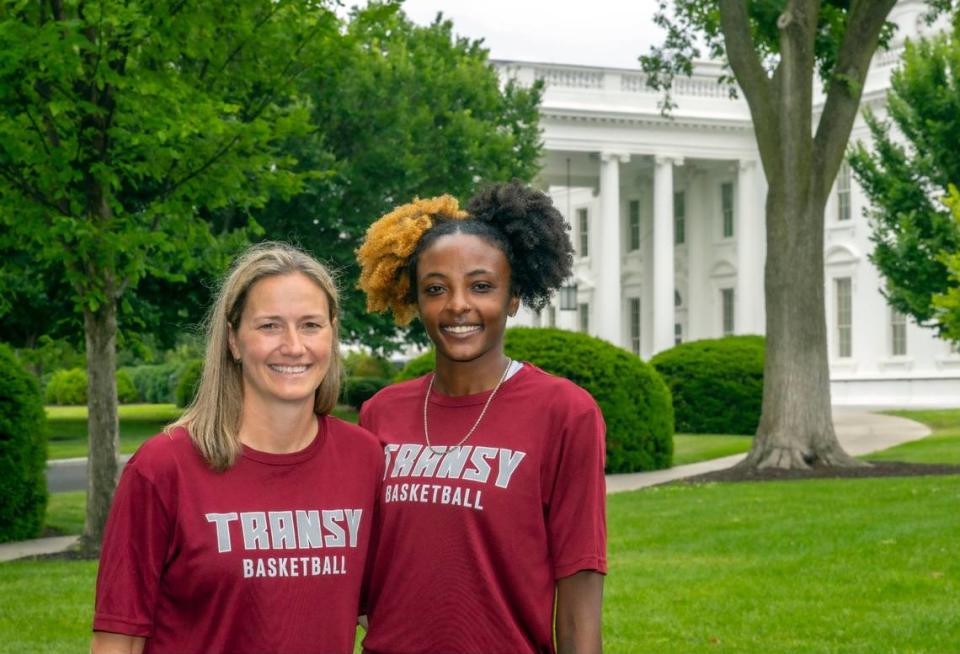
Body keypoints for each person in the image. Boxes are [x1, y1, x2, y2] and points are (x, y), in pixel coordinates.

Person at [91, 242, 384, 654]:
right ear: (233, 339)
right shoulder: (164, 467)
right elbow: (117, 641)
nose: (294, 346)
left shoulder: (364, 458)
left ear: (332, 332)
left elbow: (381, 614)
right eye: (269, 326)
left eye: (311, 325)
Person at [355, 184, 607, 654]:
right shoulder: (380, 413)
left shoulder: (565, 412)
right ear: (416, 300)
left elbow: (579, 589)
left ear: (514, 298)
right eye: (436, 289)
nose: (458, 305)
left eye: (481, 286)